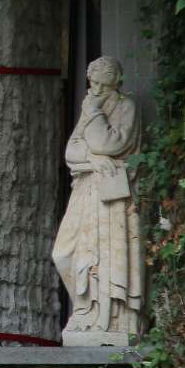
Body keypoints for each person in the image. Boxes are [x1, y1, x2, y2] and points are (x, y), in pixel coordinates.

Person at [52, 56, 144, 342]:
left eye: (105, 86)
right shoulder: (90, 107)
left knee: (107, 257)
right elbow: (71, 152)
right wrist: (93, 158)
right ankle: (86, 311)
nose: (98, 91)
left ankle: (109, 320)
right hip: (85, 191)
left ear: (116, 84)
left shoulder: (124, 107)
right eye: (94, 84)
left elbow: (111, 143)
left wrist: (93, 114)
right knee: (64, 254)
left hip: (112, 196)